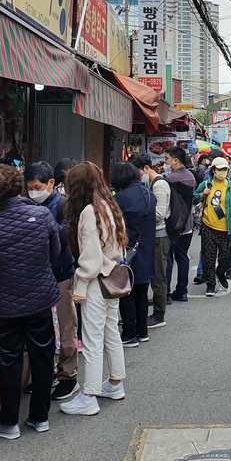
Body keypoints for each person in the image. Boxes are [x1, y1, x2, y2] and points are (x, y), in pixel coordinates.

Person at [0, 164, 61, 439]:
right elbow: (55, 252)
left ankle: (9, 422)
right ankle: (39, 417)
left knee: (9, 359)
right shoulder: (43, 214)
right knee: (43, 356)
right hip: (40, 298)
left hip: (4, 301)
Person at [60, 162, 129, 416]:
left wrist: (80, 282)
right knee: (111, 333)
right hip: (113, 279)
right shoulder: (109, 206)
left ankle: (88, 395)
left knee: (91, 339)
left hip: (96, 282)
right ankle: (115, 383)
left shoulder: (89, 211)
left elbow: (90, 258)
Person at [25, 161, 79, 402]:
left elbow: (67, 235)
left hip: (60, 274)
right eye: (28, 188)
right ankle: (43, 374)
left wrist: (40, 224)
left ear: (50, 184)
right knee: (40, 328)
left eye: (37, 187)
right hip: (34, 274)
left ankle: (69, 375)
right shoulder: (25, 204)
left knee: (66, 326)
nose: (32, 192)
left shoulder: (64, 205)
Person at [113, 162, 156, 347]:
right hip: (146, 248)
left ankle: (129, 333)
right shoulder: (149, 195)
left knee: (126, 292)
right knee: (141, 291)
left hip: (128, 249)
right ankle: (143, 331)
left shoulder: (120, 198)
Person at [193, 157, 231, 297]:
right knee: (208, 258)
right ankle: (210, 284)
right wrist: (202, 195)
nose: (222, 172)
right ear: (214, 170)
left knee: (226, 257)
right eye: (219, 169)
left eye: (224, 169)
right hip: (209, 227)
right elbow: (194, 198)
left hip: (227, 229)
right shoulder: (206, 184)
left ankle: (220, 273)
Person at [131, 154, 171, 330]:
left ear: (146, 168)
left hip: (159, 236)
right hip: (150, 236)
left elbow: (159, 214)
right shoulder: (148, 184)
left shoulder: (160, 185)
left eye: (138, 172)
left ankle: (159, 314)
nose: (138, 176)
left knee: (158, 276)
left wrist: (138, 216)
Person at [163, 147, 198, 302]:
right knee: (182, 256)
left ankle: (166, 293)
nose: (165, 162)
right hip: (187, 223)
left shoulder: (171, 179)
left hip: (173, 224)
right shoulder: (190, 177)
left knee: (168, 258)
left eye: (166, 159)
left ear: (175, 160)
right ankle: (182, 290)